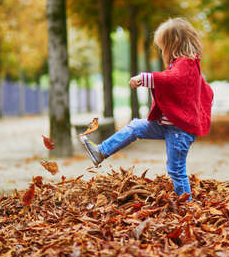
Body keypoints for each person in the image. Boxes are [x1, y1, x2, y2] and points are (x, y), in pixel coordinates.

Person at [81, 17, 214, 198]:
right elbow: (205, 90)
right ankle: (101, 152)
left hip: (179, 130)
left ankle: (187, 204)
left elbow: (172, 79)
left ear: (173, 45)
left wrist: (144, 78)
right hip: (168, 125)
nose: (161, 52)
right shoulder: (184, 65)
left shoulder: (186, 63)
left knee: (176, 169)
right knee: (136, 126)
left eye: (162, 48)